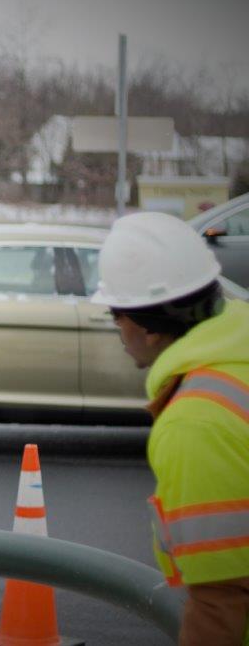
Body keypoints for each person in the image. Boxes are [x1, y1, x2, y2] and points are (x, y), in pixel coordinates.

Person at [91, 211, 249, 646]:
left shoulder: (195, 420)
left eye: (116, 317)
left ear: (148, 329)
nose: (119, 331)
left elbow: (222, 598)